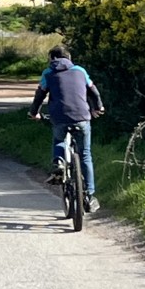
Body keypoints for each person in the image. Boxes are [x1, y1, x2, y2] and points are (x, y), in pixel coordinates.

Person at [29, 45, 104, 212]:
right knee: (85, 155)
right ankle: (90, 195)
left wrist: (34, 113)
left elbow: (40, 95)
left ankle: (59, 163)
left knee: (59, 139)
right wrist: (98, 108)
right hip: (82, 117)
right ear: (68, 58)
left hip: (59, 117)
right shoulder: (80, 71)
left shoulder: (48, 73)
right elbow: (94, 92)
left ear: (52, 58)